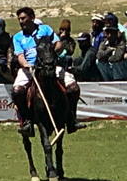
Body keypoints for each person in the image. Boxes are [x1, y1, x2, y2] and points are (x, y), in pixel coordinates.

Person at [10, 7, 82, 136]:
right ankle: (27, 122)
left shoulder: (45, 29)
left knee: (73, 88)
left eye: (23, 18)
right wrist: (27, 65)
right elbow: (20, 55)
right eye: (19, 19)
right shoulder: (18, 37)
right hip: (30, 68)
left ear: (32, 18)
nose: (21, 21)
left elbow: (58, 43)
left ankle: (71, 119)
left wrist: (51, 55)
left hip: (50, 66)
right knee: (16, 91)